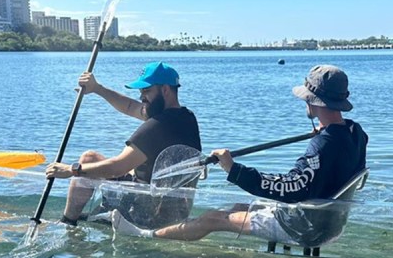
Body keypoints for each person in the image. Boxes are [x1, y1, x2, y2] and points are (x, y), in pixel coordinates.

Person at [113, 64, 368, 247]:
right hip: (328, 221)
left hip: (304, 226)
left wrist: (233, 170)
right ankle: (174, 231)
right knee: (236, 208)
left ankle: (143, 236)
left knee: (212, 218)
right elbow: (323, 173)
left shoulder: (323, 144)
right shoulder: (355, 133)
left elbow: (291, 188)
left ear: (312, 101)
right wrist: (324, 135)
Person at [46, 61, 202, 227]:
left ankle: (67, 223)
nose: (142, 97)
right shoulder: (186, 118)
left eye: (147, 91)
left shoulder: (157, 126)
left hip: (144, 210)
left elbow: (117, 168)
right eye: (141, 92)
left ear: (165, 90)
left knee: (87, 160)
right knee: (95, 158)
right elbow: (130, 107)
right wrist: (97, 88)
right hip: (173, 209)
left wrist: (71, 170)